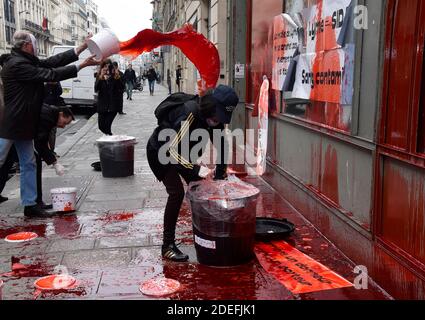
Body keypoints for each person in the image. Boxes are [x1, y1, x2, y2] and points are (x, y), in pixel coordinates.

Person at [0, 31, 100, 218]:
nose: (36, 46)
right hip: (12, 123)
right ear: (27, 45)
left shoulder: (26, 61)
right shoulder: (17, 65)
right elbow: (50, 73)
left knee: (29, 163)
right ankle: (30, 203)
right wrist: (82, 65)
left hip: (24, 123)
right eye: (34, 43)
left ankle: (30, 205)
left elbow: (52, 62)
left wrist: (82, 47)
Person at [146, 85, 239, 262]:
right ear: (211, 106)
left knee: (200, 187)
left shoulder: (216, 120)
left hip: (183, 155)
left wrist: (220, 174)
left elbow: (222, 146)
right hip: (160, 153)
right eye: (216, 116)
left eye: (221, 118)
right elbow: (170, 151)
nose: (217, 121)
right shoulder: (190, 113)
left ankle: (204, 234)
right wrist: (198, 169)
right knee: (176, 193)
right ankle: (167, 246)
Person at [34, 105, 75, 207]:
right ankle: (35, 203)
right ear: (61, 114)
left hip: (20, 135)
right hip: (18, 136)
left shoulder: (50, 114)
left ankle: (37, 201)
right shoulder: (48, 118)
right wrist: (55, 163)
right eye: (64, 123)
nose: (63, 127)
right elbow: (40, 142)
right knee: (33, 167)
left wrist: (54, 161)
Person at [95, 59, 125, 135]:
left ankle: (110, 141)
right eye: (105, 66)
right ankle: (111, 138)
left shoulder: (115, 76)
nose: (106, 68)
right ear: (102, 68)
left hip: (113, 107)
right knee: (101, 127)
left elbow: (121, 88)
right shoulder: (99, 76)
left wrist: (117, 78)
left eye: (108, 66)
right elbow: (96, 88)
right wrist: (101, 77)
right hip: (102, 106)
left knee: (107, 127)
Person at [44, 82, 66, 156]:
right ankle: (45, 152)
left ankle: (52, 151)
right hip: (43, 108)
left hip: (53, 107)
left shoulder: (55, 78)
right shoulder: (41, 77)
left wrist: (55, 84)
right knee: (43, 132)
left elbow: (59, 92)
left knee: (52, 131)